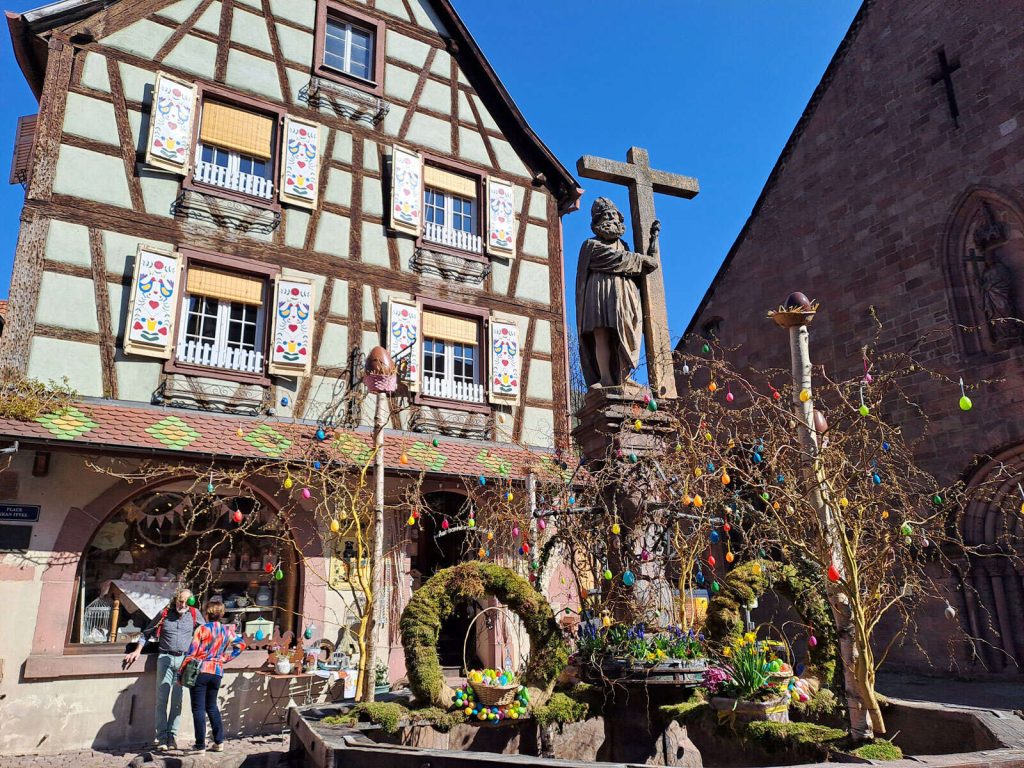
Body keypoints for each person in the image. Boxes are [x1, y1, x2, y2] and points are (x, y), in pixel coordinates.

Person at [575, 197, 660, 389]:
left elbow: (630, 264)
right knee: (601, 334)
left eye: (614, 214)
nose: (611, 218)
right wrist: (642, 260)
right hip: (598, 292)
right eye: (606, 215)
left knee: (624, 333)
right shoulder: (590, 245)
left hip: (624, 293)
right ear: (597, 220)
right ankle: (605, 378)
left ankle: (624, 377)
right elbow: (613, 259)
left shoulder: (624, 246)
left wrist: (642, 260)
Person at [122, 586, 199, 752]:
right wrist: (137, 651)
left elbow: (206, 633)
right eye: (180, 600)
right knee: (162, 699)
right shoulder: (164, 614)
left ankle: (172, 736)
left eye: (186, 601)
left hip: (184, 660)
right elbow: (146, 633)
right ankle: (162, 737)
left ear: (191, 602)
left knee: (177, 700)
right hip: (165, 658)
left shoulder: (194, 614)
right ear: (175, 600)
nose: (183, 604)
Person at [180, 600, 246, 754]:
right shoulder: (227, 631)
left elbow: (192, 653)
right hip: (216, 672)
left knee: (198, 709)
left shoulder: (202, 630)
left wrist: (181, 672)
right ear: (221, 614)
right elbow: (241, 644)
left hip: (201, 671)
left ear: (207, 614)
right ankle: (219, 742)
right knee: (212, 706)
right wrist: (226, 658)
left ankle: (200, 746)